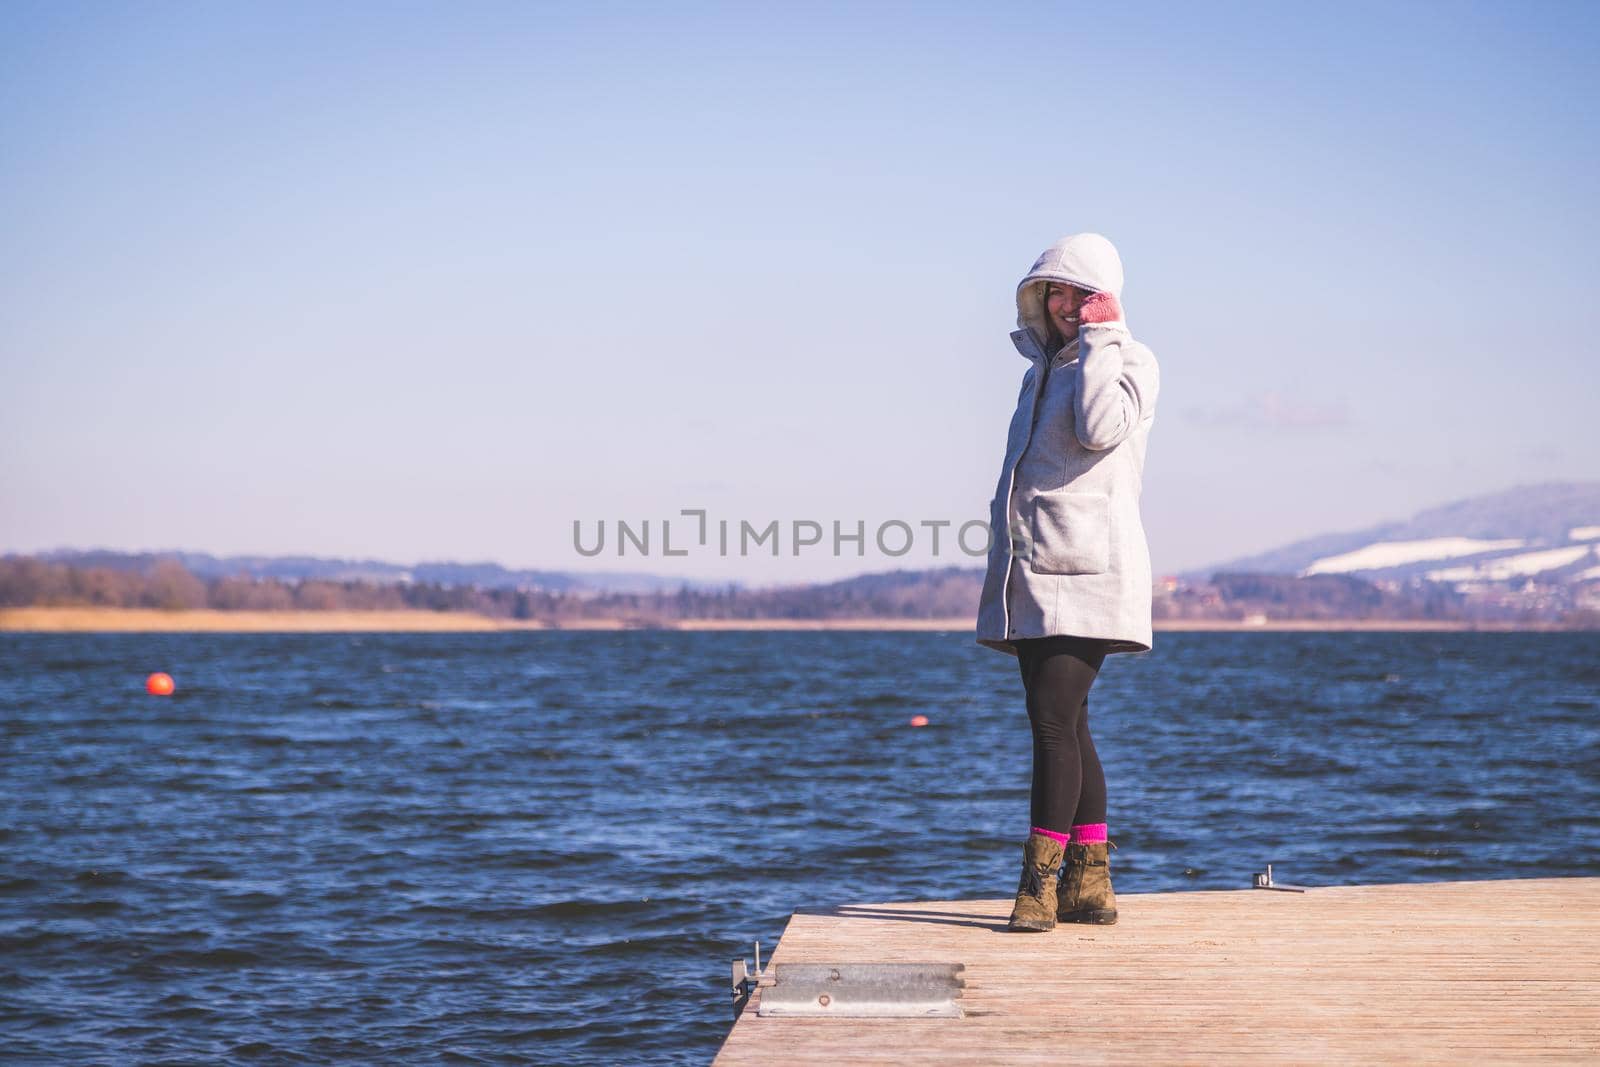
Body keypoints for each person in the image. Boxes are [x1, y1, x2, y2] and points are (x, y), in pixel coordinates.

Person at [974, 233, 1160, 933]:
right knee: (1070, 725)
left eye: (1077, 294)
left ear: (1104, 299)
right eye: (1053, 293)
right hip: (1033, 568)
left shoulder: (1131, 362)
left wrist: (1105, 340)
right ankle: (1089, 883)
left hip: (1090, 569)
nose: (1062, 306)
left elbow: (1100, 426)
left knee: (1052, 722)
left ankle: (1037, 889)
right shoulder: (1038, 373)